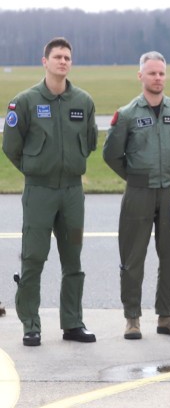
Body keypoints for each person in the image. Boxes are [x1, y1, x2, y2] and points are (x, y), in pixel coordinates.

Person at [2, 37, 98, 347]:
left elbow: (91, 141)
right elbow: (11, 147)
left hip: (72, 193)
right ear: (44, 61)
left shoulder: (83, 102)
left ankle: (72, 323)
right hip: (40, 192)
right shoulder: (25, 102)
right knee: (33, 258)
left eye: (67, 57)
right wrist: (36, 169)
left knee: (74, 261)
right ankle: (31, 324)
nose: (63, 62)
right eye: (57, 56)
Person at [103, 51, 170, 340]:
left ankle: (166, 315)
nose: (157, 78)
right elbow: (112, 154)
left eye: (161, 73)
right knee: (132, 258)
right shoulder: (127, 114)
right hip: (138, 192)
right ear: (140, 76)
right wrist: (134, 177)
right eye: (152, 73)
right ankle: (132, 318)